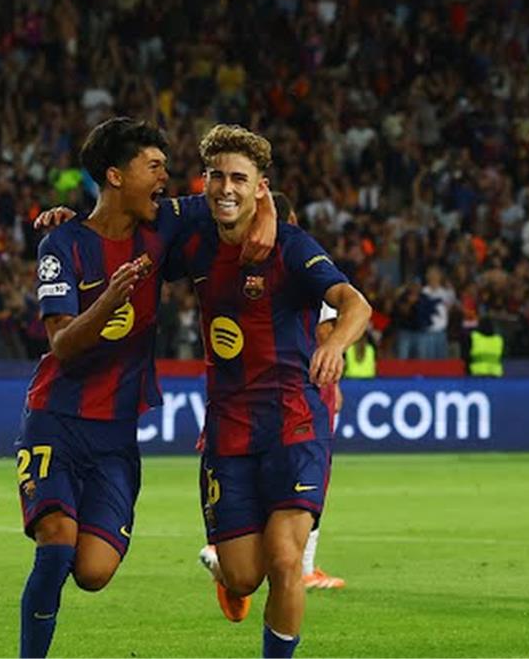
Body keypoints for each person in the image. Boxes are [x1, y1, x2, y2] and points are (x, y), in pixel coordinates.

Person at [16, 117, 274, 658]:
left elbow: (241, 192)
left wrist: (268, 219)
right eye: (153, 166)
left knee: (93, 572)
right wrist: (109, 299)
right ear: (116, 176)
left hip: (115, 432)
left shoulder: (163, 225)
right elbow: (62, 344)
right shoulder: (62, 244)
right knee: (57, 544)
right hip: (55, 419)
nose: (165, 178)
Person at [171, 125, 371, 657]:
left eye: (240, 178)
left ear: (261, 186)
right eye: (217, 176)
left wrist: (336, 345)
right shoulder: (193, 233)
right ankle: (229, 578)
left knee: (286, 559)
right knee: (243, 576)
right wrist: (69, 225)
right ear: (204, 180)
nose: (226, 188)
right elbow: (123, 219)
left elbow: (355, 303)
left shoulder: (291, 246)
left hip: (294, 422)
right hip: (229, 427)